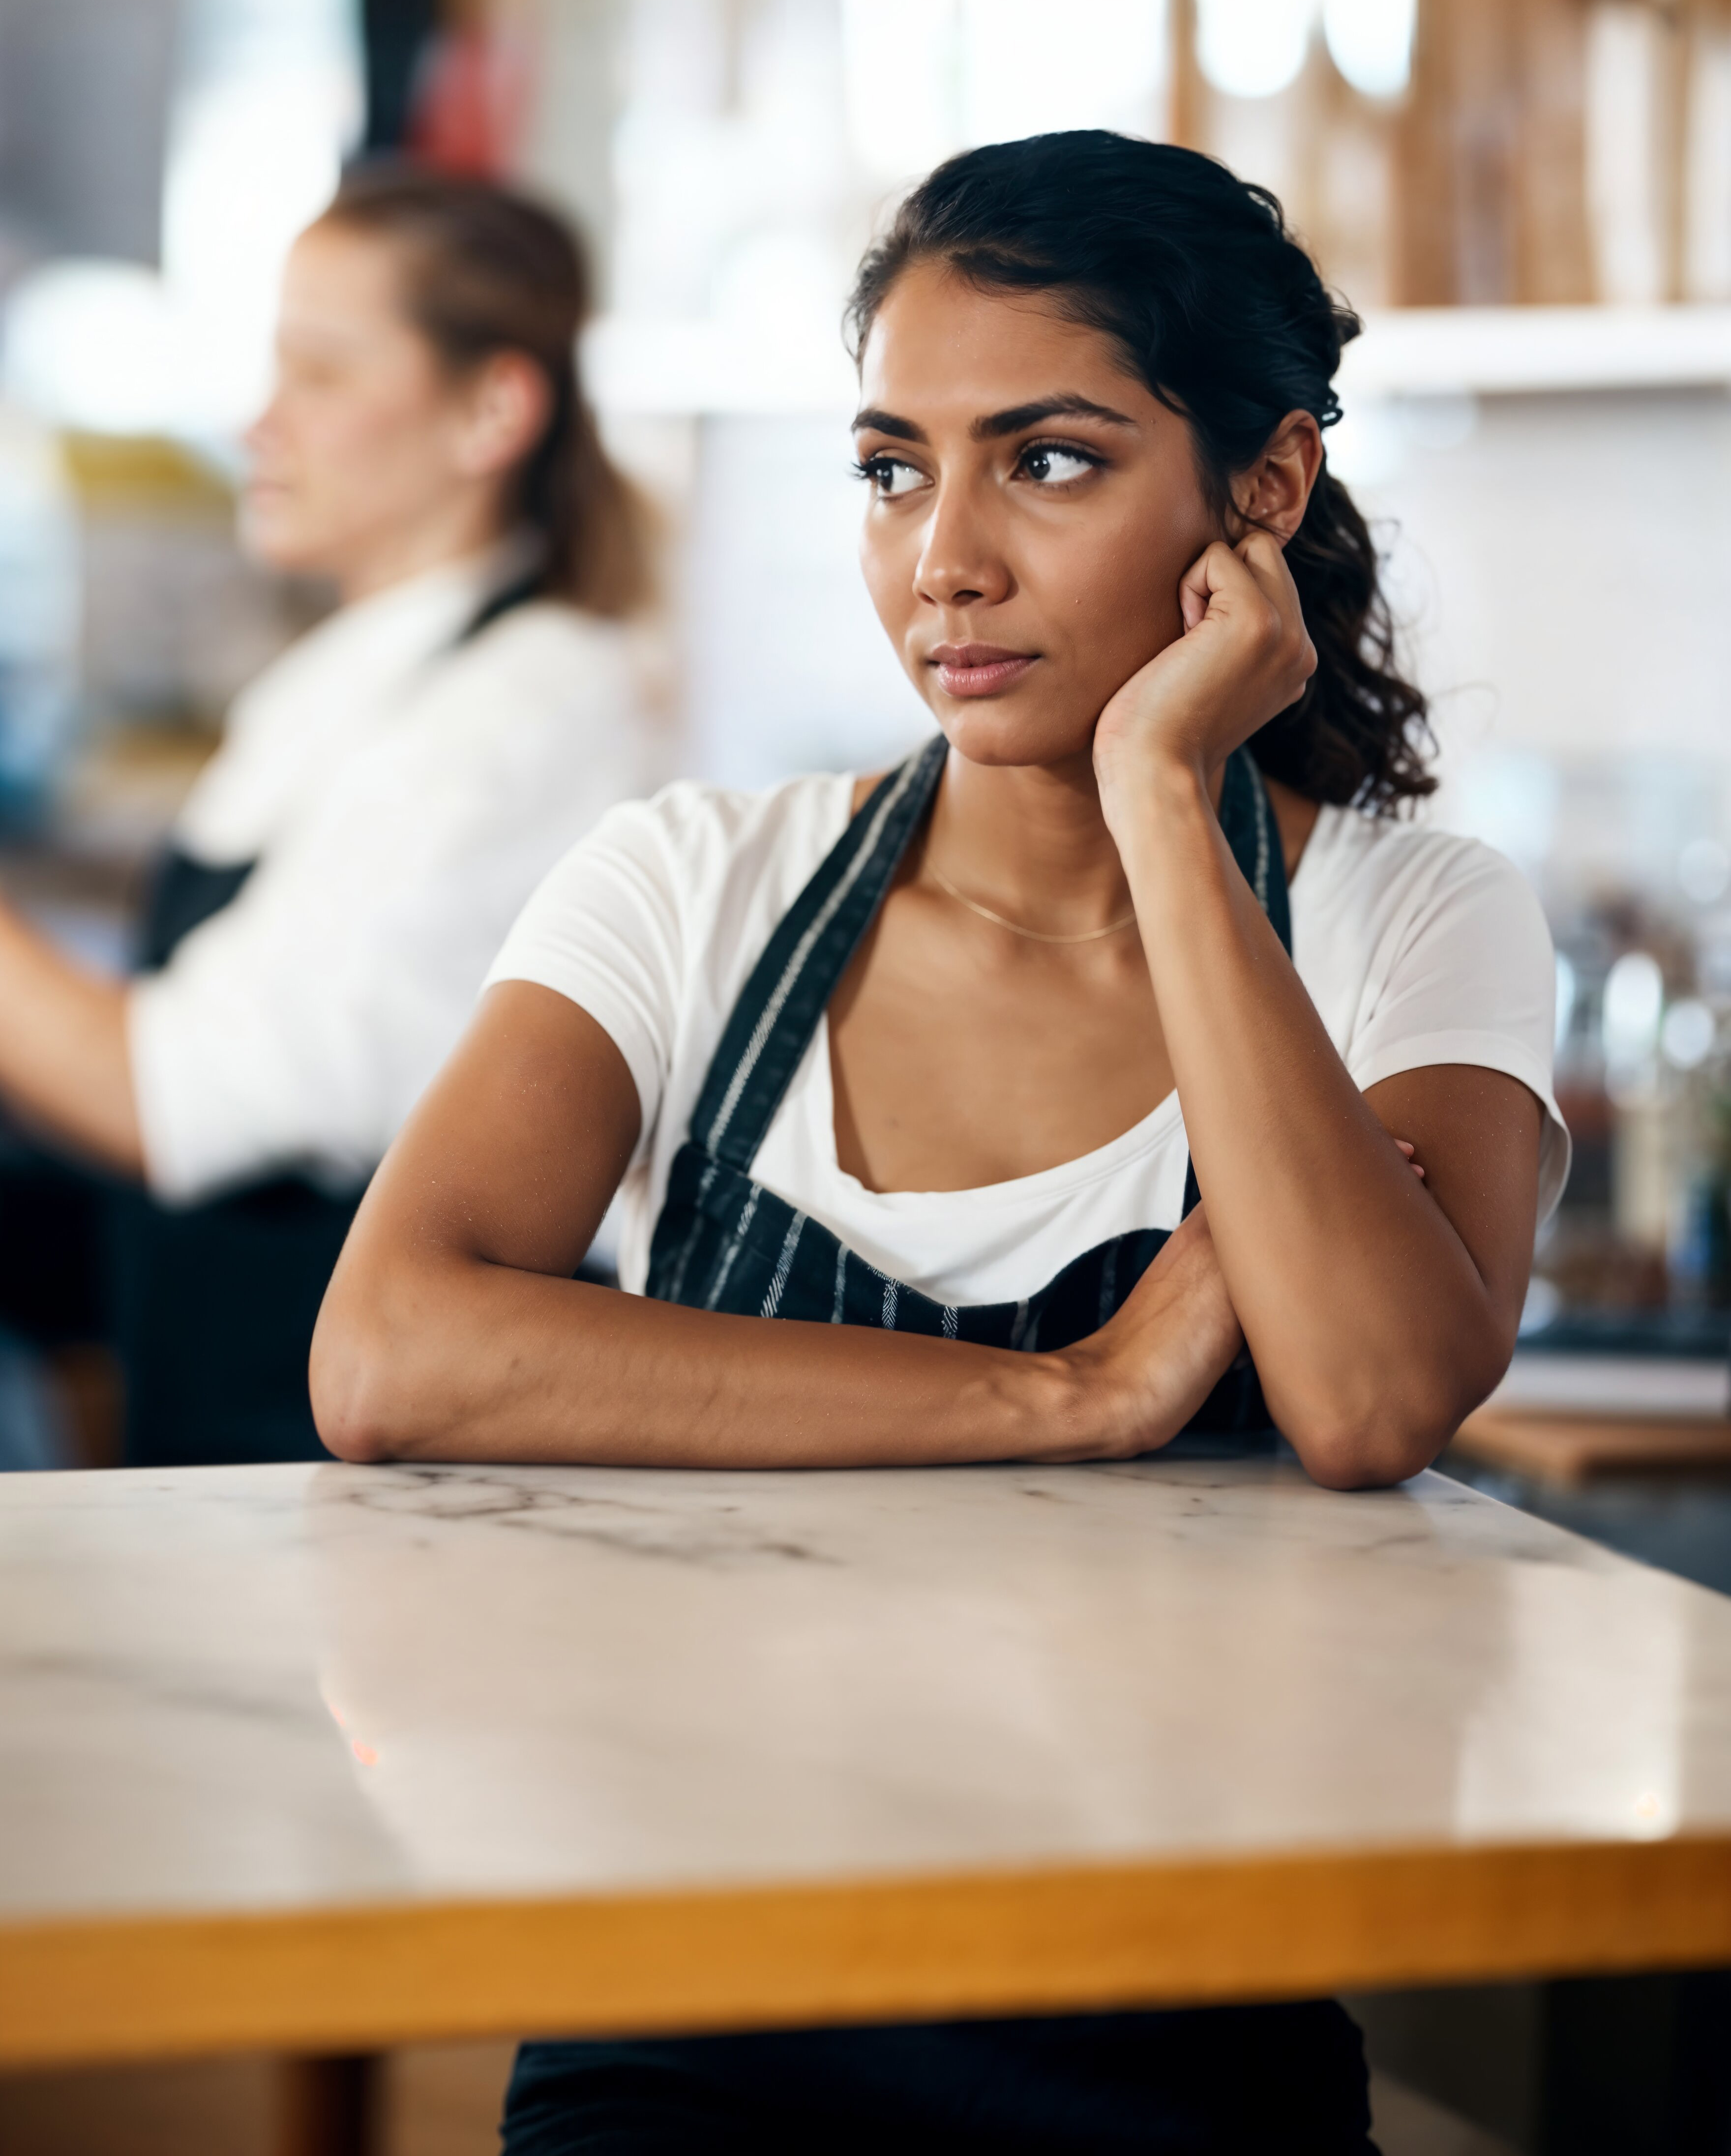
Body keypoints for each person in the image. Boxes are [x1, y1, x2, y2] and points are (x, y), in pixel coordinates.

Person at [311, 132, 1567, 2153]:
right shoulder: (693, 884)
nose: (942, 559)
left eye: (1045, 461)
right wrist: (1073, 1396)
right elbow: (389, 1357)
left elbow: (1368, 1400)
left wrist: (1167, 786)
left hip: (1170, 2055)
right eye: (894, 468)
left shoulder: (1401, 926)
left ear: (1259, 491)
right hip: (676, 2029)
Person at [0, 163, 660, 1465]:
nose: (261, 423)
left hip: (347, 1454)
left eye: (321, 374)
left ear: (491, 411)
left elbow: (169, 1100)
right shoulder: (358, 669)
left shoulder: (522, 716)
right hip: (219, 1392)